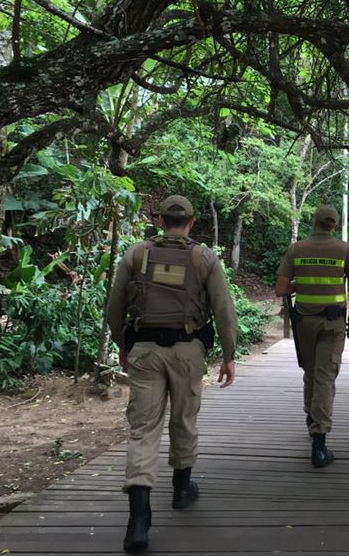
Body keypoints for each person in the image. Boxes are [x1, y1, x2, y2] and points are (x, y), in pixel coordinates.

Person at [106, 195, 238, 553]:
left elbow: (114, 305)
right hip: (187, 350)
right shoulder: (205, 257)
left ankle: (138, 520)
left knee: (143, 429)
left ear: (161, 220)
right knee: (184, 419)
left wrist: (124, 342)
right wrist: (229, 354)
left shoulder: (137, 254)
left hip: (145, 351)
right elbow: (223, 310)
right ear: (192, 223)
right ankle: (181, 490)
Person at [275, 205, 349, 468]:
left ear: (314, 222)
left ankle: (310, 417)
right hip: (332, 324)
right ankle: (319, 443)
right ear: (335, 226)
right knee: (325, 377)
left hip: (305, 322)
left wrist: (301, 283)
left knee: (311, 371)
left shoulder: (297, 249)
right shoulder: (343, 249)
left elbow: (280, 289)